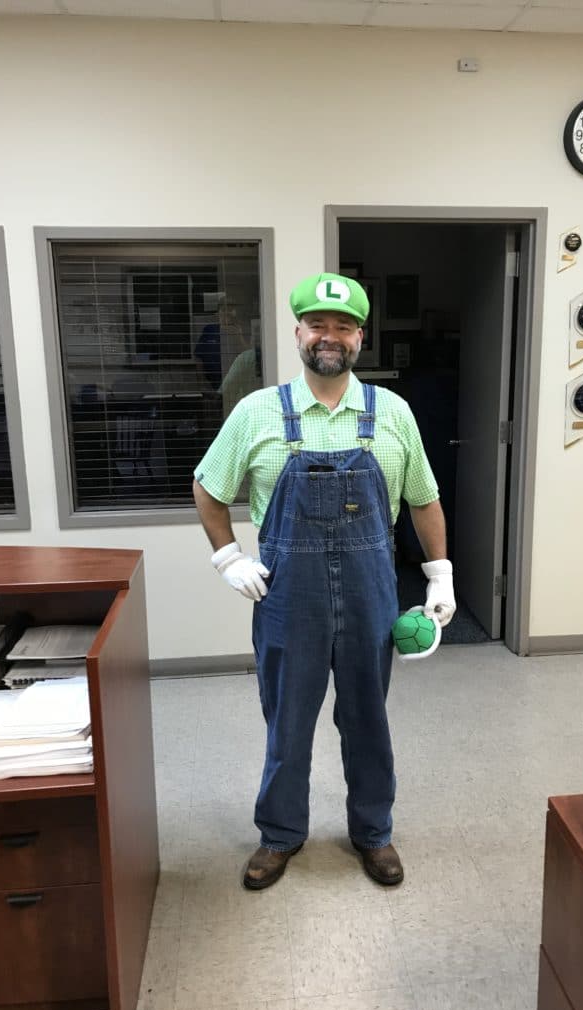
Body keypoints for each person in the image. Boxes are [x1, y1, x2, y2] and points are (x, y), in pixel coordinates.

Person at [192, 273, 456, 890]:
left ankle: (374, 832)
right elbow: (207, 488)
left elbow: (424, 500)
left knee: (367, 719)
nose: (329, 336)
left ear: (360, 336)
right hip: (289, 599)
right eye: (318, 324)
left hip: (371, 595)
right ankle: (280, 834)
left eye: (342, 326)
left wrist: (439, 577)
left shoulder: (391, 413)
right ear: (298, 333)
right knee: (287, 720)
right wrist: (228, 558)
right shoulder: (257, 411)